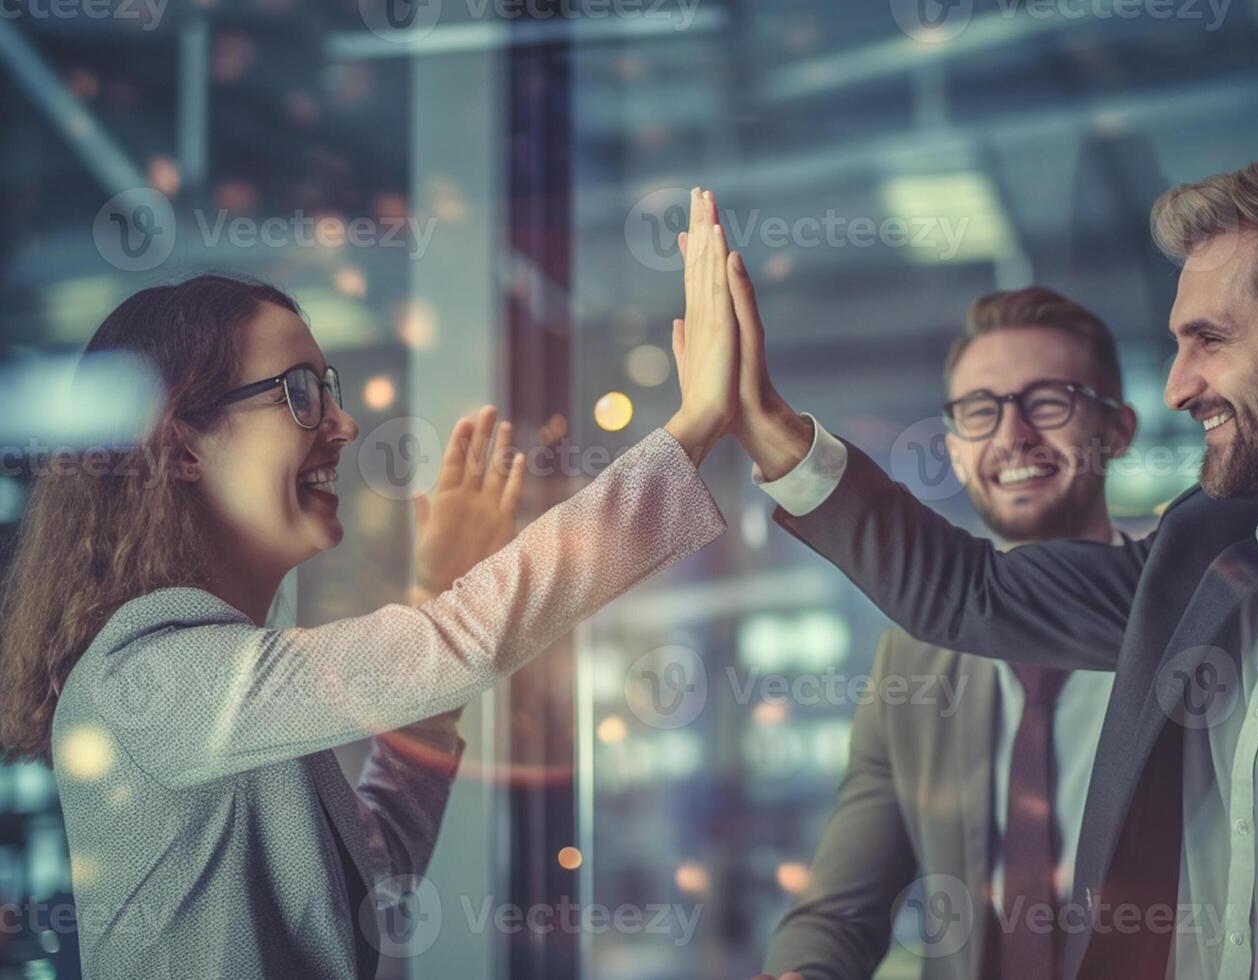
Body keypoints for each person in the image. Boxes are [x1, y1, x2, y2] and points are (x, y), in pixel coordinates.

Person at [721, 156, 1258, 979]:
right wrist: (765, 424)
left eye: (1209, 341)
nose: (1181, 386)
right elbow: (966, 592)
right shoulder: (1203, 559)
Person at [0, 187, 737, 979]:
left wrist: (442, 595)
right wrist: (693, 425)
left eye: (331, 388)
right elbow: (457, 644)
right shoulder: (146, 673)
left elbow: (373, 887)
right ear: (182, 447)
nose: (344, 425)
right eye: (299, 393)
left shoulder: (222, 678)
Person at [757, 287, 1134, 980]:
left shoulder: (1179, 618)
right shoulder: (914, 660)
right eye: (980, 411)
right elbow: (841, 910)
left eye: (1048, 401)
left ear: (1117, 430)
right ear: (956, 449)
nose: (1012, 435)